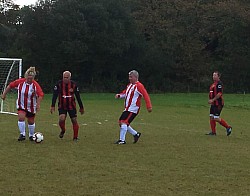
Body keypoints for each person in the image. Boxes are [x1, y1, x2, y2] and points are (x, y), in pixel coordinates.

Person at [1, 67, 44, 141]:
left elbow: (40, 95)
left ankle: (31, 135)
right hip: (21, 105)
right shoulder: (20, 82)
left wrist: (38, 104)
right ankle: (22, 134)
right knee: (21, 117)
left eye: (31, 78)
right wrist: (4, 94)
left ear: (33, 78)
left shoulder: (35, 85)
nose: (29, 80)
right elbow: (10, 86)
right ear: (26, 76)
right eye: (28, 78)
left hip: (31, 106)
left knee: (31, 121)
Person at [115, 70, 152, 144]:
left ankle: (122, 140)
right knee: (121, 122)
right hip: (127, 108)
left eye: (131, 77)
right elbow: (125, 93)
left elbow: (145, 95)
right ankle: (136, 134)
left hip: (133, 109)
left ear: (135, 77)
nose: (129, 78)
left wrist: (149, 106)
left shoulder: (139, 86)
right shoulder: (129, 85)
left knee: (124, 122)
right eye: (129, 77)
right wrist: (119, 95)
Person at [50, 71, 84, 141]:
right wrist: (52, 105)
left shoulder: (74, 85)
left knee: (74, 120)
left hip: (72, 106)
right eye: (64, 77)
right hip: (62, 105)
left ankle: (75, 137)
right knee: (61, 119)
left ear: (70, 78)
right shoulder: (58, 84)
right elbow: (55, 95)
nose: (65, 79)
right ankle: (63, 130)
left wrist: (81, 107)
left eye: (67, 77)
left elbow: (78, 96)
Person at [206, 71, 232, 136]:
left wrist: (213, 100)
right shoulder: (213, 84)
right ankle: (213, 132)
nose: (213, 77)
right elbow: (211, 93)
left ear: (218, 76)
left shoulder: (219, 84)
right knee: (211, 117)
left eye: (215, 75)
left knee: (216, 118)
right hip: (213, 104)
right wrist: (210, 99)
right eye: (213, 75)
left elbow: (219, 94)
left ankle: (228, 127)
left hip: (218, 104)